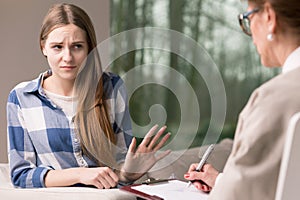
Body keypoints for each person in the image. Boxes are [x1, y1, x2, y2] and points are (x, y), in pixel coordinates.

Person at [7, 3, 170, 189]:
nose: (67, 57)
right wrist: (80, 174)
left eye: (77, 46)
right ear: (43, 47)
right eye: (57, 47)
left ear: (89, 48)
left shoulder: (112, 88)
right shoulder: (21, 98)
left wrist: (129, 172)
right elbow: (21, 176)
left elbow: (119, 173)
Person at [184, 0, 300, 199]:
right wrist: (221, 181)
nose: (251, 35)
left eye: (248, 18)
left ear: (270, 18)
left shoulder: (273, 101)